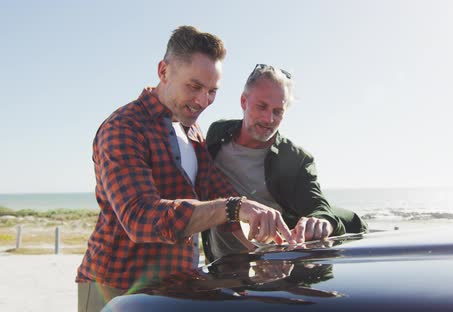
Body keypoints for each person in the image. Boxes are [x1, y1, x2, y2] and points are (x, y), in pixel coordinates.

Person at [75, 26, 296, 312]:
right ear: (164, 71)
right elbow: (139, 218)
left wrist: (269, 242)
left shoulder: (192, 131)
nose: (203, 101)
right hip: (115, 288)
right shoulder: (123, 127)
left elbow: (220, 195)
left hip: (176, 285)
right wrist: (232, 207)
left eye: (212, 91)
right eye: (194, 87)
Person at [203, 64, 367, 262]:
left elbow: (319, 206)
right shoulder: (217, 134)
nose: (268, 119)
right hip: (219, 268)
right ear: (243, 101)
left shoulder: (296, 159)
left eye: (278, 111)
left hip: (273, 267)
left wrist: (323, 222)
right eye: (261, 106)